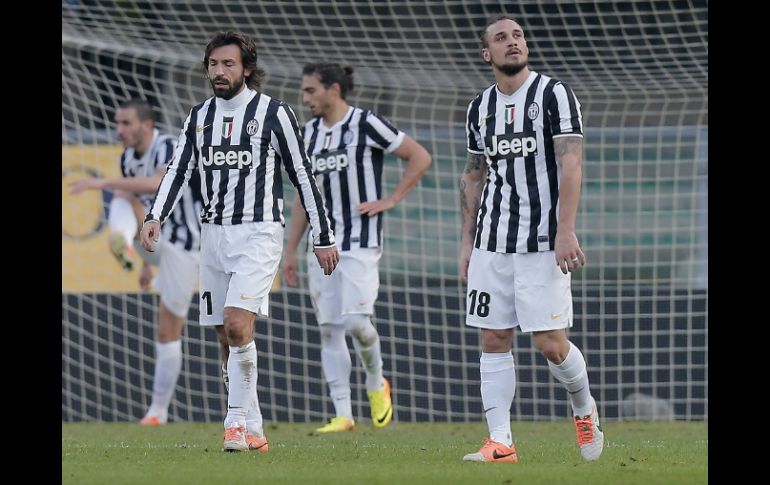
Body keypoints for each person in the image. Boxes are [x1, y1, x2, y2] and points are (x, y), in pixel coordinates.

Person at [139, 31, 339, 453]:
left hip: (258, 232)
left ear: (247, 69)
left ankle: (233, 425)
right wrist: (155, 215)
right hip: (212, 236)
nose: (219, 71)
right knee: (224, 335)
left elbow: (303, 175)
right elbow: (178, 170)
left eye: (228, 64)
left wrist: (322, 236)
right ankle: (255, 428)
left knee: (235, 323)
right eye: (213, 64)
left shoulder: (273, 113)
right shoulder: (199, 116)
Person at [459, 15, 604, 463]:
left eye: (518, 35)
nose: (513, 42)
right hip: (491, 241)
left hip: (542, 242)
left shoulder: (554, 94)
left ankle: (584, 407)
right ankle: (501, 441)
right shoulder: (479, 108)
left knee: (550, 344)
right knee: (493, 338)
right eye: (501, 38)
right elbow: (474, 175)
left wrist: (565, 229)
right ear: (487, 53)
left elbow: (571, 164)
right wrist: (466, 243)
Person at [283, 63, 432, 433]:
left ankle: (376, 381)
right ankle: (343, 414)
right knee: (329, 328)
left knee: (356, 323)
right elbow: (304, 198)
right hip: (321, 245)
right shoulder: (308, 135)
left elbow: (420, 156)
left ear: (333, 90)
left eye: (310, 90)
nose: (305, 98)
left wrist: (391, 199)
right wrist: (290, 251)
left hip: (360, 242)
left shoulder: (366, 123)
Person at [69, 98, 202, 426]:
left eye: (126, 123)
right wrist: (145, 261)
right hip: (158, 240)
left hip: (189, 244)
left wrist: (103, 182)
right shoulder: (128, 157)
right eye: (117, 123)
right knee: (124, 195)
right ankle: (123, 244)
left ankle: (161, 410)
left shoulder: (168, 145)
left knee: (178, 327)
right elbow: (141, 204)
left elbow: (157, 184)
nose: (119, 130)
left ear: (146, 125)